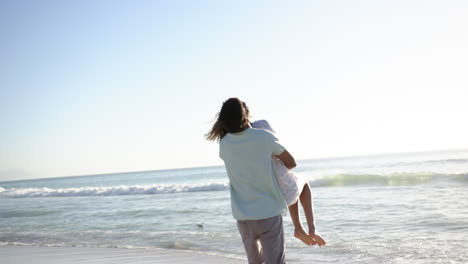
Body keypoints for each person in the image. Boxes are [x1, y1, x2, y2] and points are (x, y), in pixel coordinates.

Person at [250, 119, 326, 247]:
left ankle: (299, 228)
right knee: (303, 183)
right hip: (283, 192)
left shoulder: (247, 148)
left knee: (292, 183)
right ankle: (311, 229)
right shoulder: (267, 137)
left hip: (267, 194)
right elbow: (292, 163)